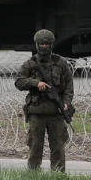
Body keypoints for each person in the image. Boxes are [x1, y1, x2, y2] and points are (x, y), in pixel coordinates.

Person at [15, 29, 75, 172]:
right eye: (41, 44)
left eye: (46, 44)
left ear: (51, 45)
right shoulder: (30, 64)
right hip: (37, 112)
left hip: (56, 111)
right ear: (36, 44)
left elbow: (69, 86)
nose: (44, 46)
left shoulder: (60, 63)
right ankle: (33, 175)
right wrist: (36, 83)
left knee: (58, 147)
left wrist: (66, 102)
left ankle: (58, 175)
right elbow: (19, 82)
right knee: (35, 147)